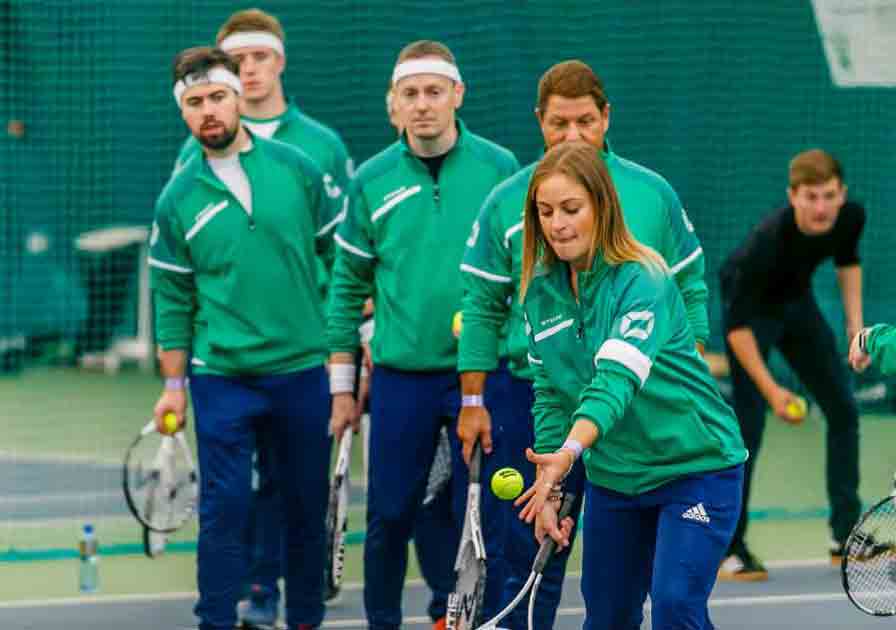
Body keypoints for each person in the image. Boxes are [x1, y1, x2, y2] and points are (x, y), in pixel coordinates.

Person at [456, 59, 708, 629]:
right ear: (539, 122)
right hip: (542, 393)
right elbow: (481, 305)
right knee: (538, 545)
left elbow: (690, 285)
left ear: (606, 118)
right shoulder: (508, 204)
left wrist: (686, 358)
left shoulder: (651, 195)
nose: (573, 136)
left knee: (661, 593)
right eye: (559, 124)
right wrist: (473, 399)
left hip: (642, 408)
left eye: (585, 122)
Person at [515, 141, 747, 630]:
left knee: (674, 605)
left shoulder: (644, 278)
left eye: (571, 209)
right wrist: (549, 485)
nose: (557, 224)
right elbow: (551, 395)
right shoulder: (540, 293)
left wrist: (570, 453)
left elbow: (616, 381)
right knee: (608, 617)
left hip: (696, 468)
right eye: (546, 211)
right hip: (616, 480)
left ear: (602, 206)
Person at [326, 40, 519, 630]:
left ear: (458, 96)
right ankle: (383, 621)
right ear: (393, 106)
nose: (423, 105)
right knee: (389, 513)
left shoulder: (501, 169)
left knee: (476, 512)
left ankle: (463, 619)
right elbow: (344, 286)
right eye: (410, 94)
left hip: (483, 374)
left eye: (434, 92)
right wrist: (341, 387)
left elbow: (524, 271)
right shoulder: (371, 180)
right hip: (402, 378)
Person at [172, 10, 353, 625]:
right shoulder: (181, 185)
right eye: (196, 100)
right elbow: (173, 286)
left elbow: (344, 265)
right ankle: (224, 614)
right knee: (225, 506)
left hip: (302, 369)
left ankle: (301, 616)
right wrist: (173, 381)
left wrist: (344, 361)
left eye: (218, 94)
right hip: (220, 372)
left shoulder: (309, 160)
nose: (211, 107)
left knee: (301, 503)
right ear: (186, 109)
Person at [718, 148, 865, 580]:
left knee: (843, 409)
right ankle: (730, 546)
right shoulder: (765, 243)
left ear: (842, 194)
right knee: (747, 431)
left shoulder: (849, 217)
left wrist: (856, 331)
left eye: (829, 196)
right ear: (792, 196)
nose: (821, 207)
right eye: (811, 197)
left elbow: (847, 263)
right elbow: (737, 329)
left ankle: (846, 535)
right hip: (749, 317)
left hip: (796, 305)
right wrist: (773, 392)